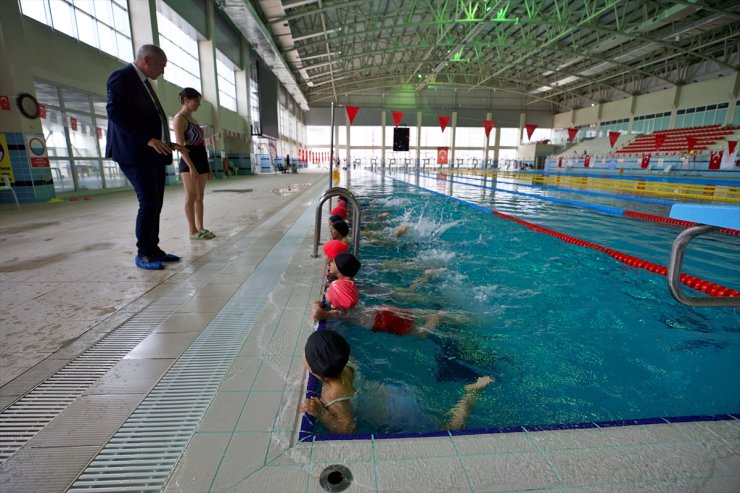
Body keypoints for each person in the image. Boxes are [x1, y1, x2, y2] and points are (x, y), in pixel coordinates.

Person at [299, 329, 494, 434]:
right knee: (438, 417)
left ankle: (473, 391)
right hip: (398, 394)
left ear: (321, 375)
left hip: (396, 416)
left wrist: (321, 414)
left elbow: (348, 427)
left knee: (452, 429)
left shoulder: (333, 395)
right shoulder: (349, 363)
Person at [106, 44, 185, 270]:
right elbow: (115, 113)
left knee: (156, 203)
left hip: (153, 154)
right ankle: (144, 253)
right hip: (134, 153)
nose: (163, 71)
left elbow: (148, 119)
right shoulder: (122, 77)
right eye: (161, 65)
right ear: (147, 60)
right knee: (148, 203)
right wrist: (146, 139)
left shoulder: (144, 83)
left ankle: (154, 248)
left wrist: (165, 143)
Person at [173, 88, 215, 241]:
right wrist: (191, 166)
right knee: (190, 196)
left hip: (200, 159)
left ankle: (200, 227)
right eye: (196, 101)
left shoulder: (193, 120)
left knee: (200, 196)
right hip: (188, 160)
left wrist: (207, 167)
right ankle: (192, 230)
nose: (199, 104)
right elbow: (180, 146)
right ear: (186, 100)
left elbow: (201, 145)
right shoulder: (180, 118)